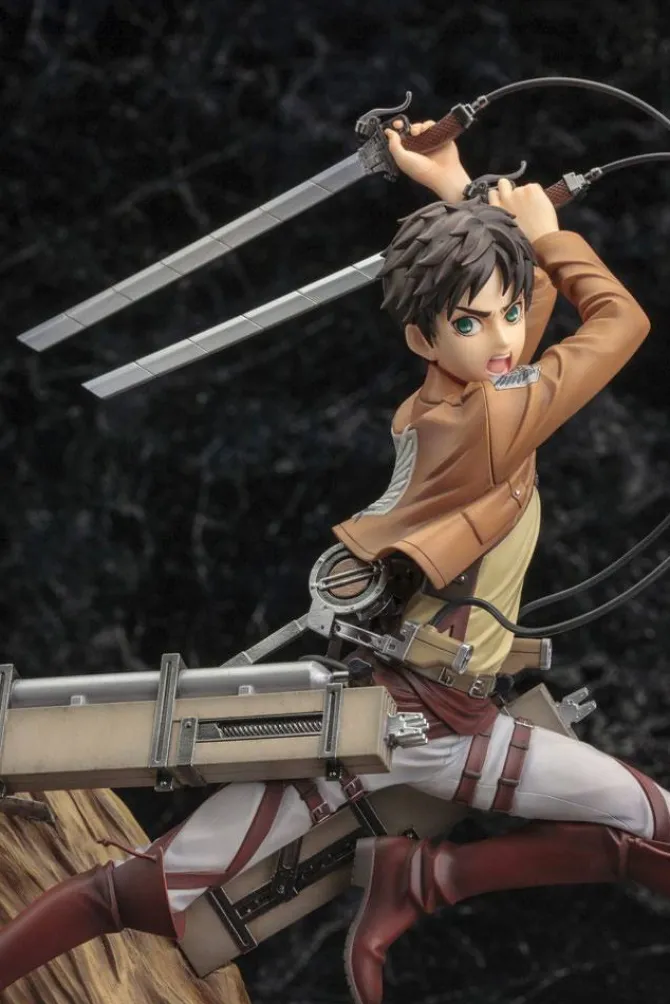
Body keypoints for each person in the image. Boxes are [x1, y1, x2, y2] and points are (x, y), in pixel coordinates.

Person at [0, 126, 667, 1004]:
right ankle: (426, 881)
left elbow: (517, 305)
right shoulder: (491, 421)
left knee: (650, 825)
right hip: (400, 727)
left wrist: (460, 191)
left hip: (436, 722)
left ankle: (422, 879)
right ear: (423, 339)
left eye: (506, 315)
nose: (504, 339)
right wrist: (548, 233)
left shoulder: (459, 396)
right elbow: (620, 321)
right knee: (140, 894)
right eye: (471, 323)